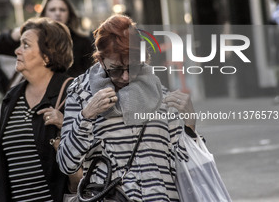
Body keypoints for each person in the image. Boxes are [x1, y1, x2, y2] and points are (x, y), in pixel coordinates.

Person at [57, 15, 198, 201]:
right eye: (115, 69)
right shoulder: (81, 93)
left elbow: (186, 165)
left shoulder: (160, 94)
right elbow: (67, 164)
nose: (125, 77)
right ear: (100, 61)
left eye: (132, 68)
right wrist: (86, 116)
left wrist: (190, 127)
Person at [0, 17, 82, 202]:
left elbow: (94, 147)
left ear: (47, 55)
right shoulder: (11, 98)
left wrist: (65, 123)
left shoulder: (72, 92)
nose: (17, 51)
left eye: (25, 45)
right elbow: (2, 170)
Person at [0, 0, 93, 77]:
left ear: (69, 14)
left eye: (62, 10)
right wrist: (17, 33)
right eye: (52, 9)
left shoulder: (83, 40)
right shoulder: (33, 39)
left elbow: (90, 72)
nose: (58, 13)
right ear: (44, 14)